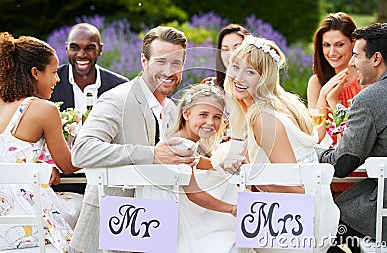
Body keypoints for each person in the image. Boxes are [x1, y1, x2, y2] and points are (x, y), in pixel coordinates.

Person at [70, 26, 198, 253]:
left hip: (155, 230)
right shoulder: (117, 99)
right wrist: (151, 155)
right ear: (143, 61)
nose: (169, 71)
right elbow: (82, 150)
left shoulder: (172, 110)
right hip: (109, 234)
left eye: (176, 63)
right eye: (160, 61)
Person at [224, 35, 340, 253]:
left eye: (250, 72)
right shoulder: (283, 102)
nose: (237, 77)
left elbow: (295, 189)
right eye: (235, 67)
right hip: (312, 212)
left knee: (212, 223)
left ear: (264, 77)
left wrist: (252, 178)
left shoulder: (262, 117)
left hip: (294, 224)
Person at [316, 23, 387, 253]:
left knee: (319, 227)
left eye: (355, 56)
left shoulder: (370, 98)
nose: (352, 63)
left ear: (376, 59)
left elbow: (342, 163)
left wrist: (311, 151)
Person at [0, 32, 81, 251]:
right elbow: (69, 165)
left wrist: (39, 167)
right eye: (54, 72)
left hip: (3, 223)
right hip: (29, 218)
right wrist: (93, 144)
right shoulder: (44, 109)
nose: (58, 79)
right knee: (85, 207)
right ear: (35, 72)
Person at [164, 83, 252, 253]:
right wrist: (232, 209)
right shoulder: (181, 145)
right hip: (183, 219)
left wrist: (223, 166)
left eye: (217, 117)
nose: (210, 122)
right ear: (186, 113)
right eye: (203, 115)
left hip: (184, 210)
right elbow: (193, 193)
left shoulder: (185, 141)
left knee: (222, 177)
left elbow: (202, 162)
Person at [49, 23, 128, 194]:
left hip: (108, 178)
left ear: (100, 49)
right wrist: (45, 165)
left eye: (89, 48)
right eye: (75, 47)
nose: (81, 54)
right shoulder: (49, 84)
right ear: (66, 49)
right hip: (61, 180)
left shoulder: (120, 86)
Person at [307, 12, 360, 144]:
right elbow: (316, 136)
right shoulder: (316, 82)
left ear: (353, 43)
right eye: (326, 45)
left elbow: (356, 137)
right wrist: (322, 96)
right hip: (326, 157)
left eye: (339, 45)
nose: (332, 52)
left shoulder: (364, 80)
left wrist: (333, 101)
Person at [201, 24, 250, 88]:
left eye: (237, 47)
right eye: (225, 49)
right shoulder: (208, 87)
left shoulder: (261, 88)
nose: (231, 54)